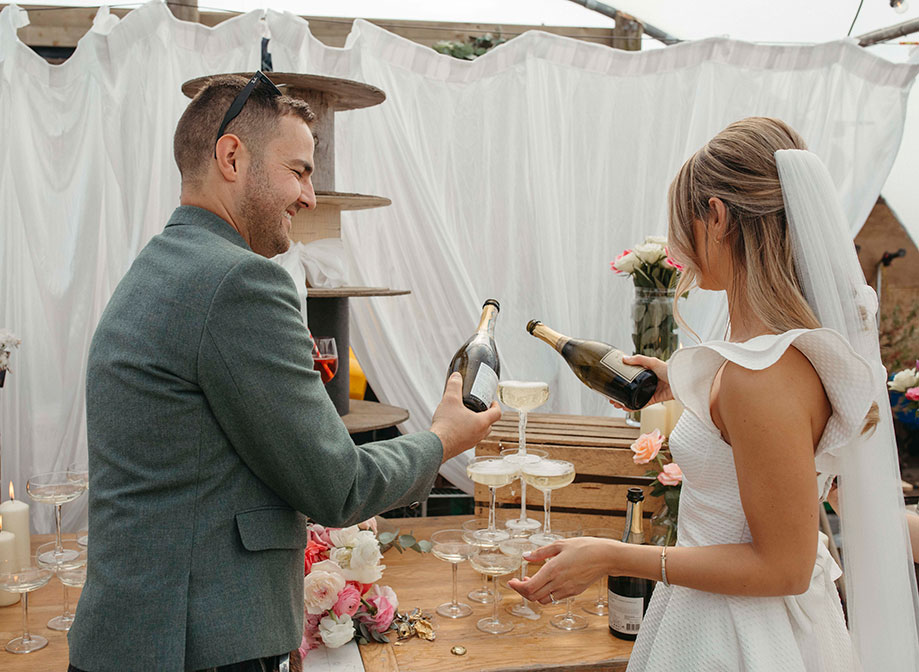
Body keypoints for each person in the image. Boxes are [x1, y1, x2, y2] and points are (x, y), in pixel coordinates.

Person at [68, 72, 501, 672]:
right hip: (199, 649)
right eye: (298, 171)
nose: (310, 197)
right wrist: (443, 440)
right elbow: (338, 487)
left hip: (138, 636)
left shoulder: (160, 264)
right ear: (231, 157)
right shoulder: (239, 281)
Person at [510, 117, 919, 670]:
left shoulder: (762, 378)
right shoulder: (787, 354)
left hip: (740, 638)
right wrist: (684, 384)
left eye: (683, 221)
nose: (678, 243)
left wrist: (609, 555)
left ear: (717, 215)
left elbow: (784, 567)